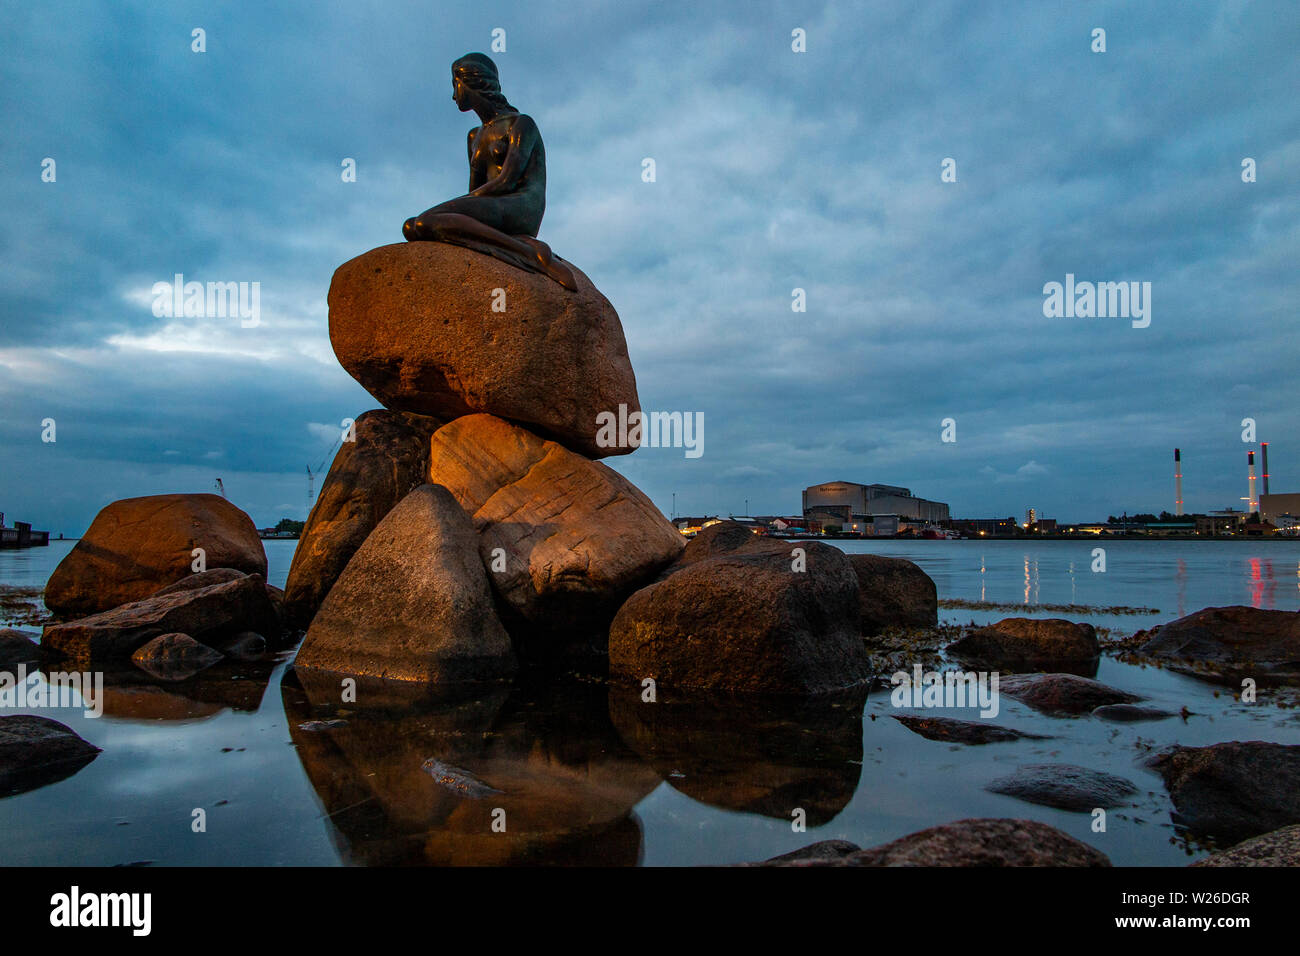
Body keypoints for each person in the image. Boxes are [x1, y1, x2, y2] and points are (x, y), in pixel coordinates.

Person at [403, 53, 576, 290]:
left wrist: (451, 206)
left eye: (456, 85)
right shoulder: (474, 137)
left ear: (472, 81)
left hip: (520, 205)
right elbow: (474, 191)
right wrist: (456, 207)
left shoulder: (520, 124)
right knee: (411, 226)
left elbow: (507, 181)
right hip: (493, 207)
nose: (454, 95)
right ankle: (519, 247)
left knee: (424, 223)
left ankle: (532, 253)